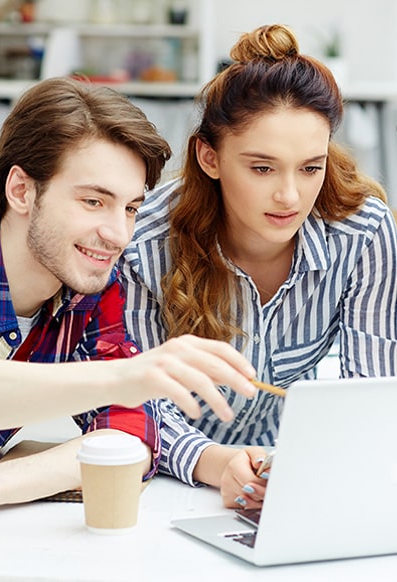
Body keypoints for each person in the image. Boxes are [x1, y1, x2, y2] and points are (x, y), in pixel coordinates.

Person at [0, 77, 258, 553]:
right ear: (22, 190)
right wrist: (124, 377)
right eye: (93, 201)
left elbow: (132, 434)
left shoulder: (86, 291)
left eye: (130, 208)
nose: (118, 234)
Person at [120, 24, 397, 510]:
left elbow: (369, 396)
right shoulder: (144, 242)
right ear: (210, 157)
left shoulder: (363, 231)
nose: (289, 196)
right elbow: (136, 403)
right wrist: (217, 463)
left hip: (285, 478)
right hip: (164, 481)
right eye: (262, 168)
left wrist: (311, 467)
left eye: (310, 167)